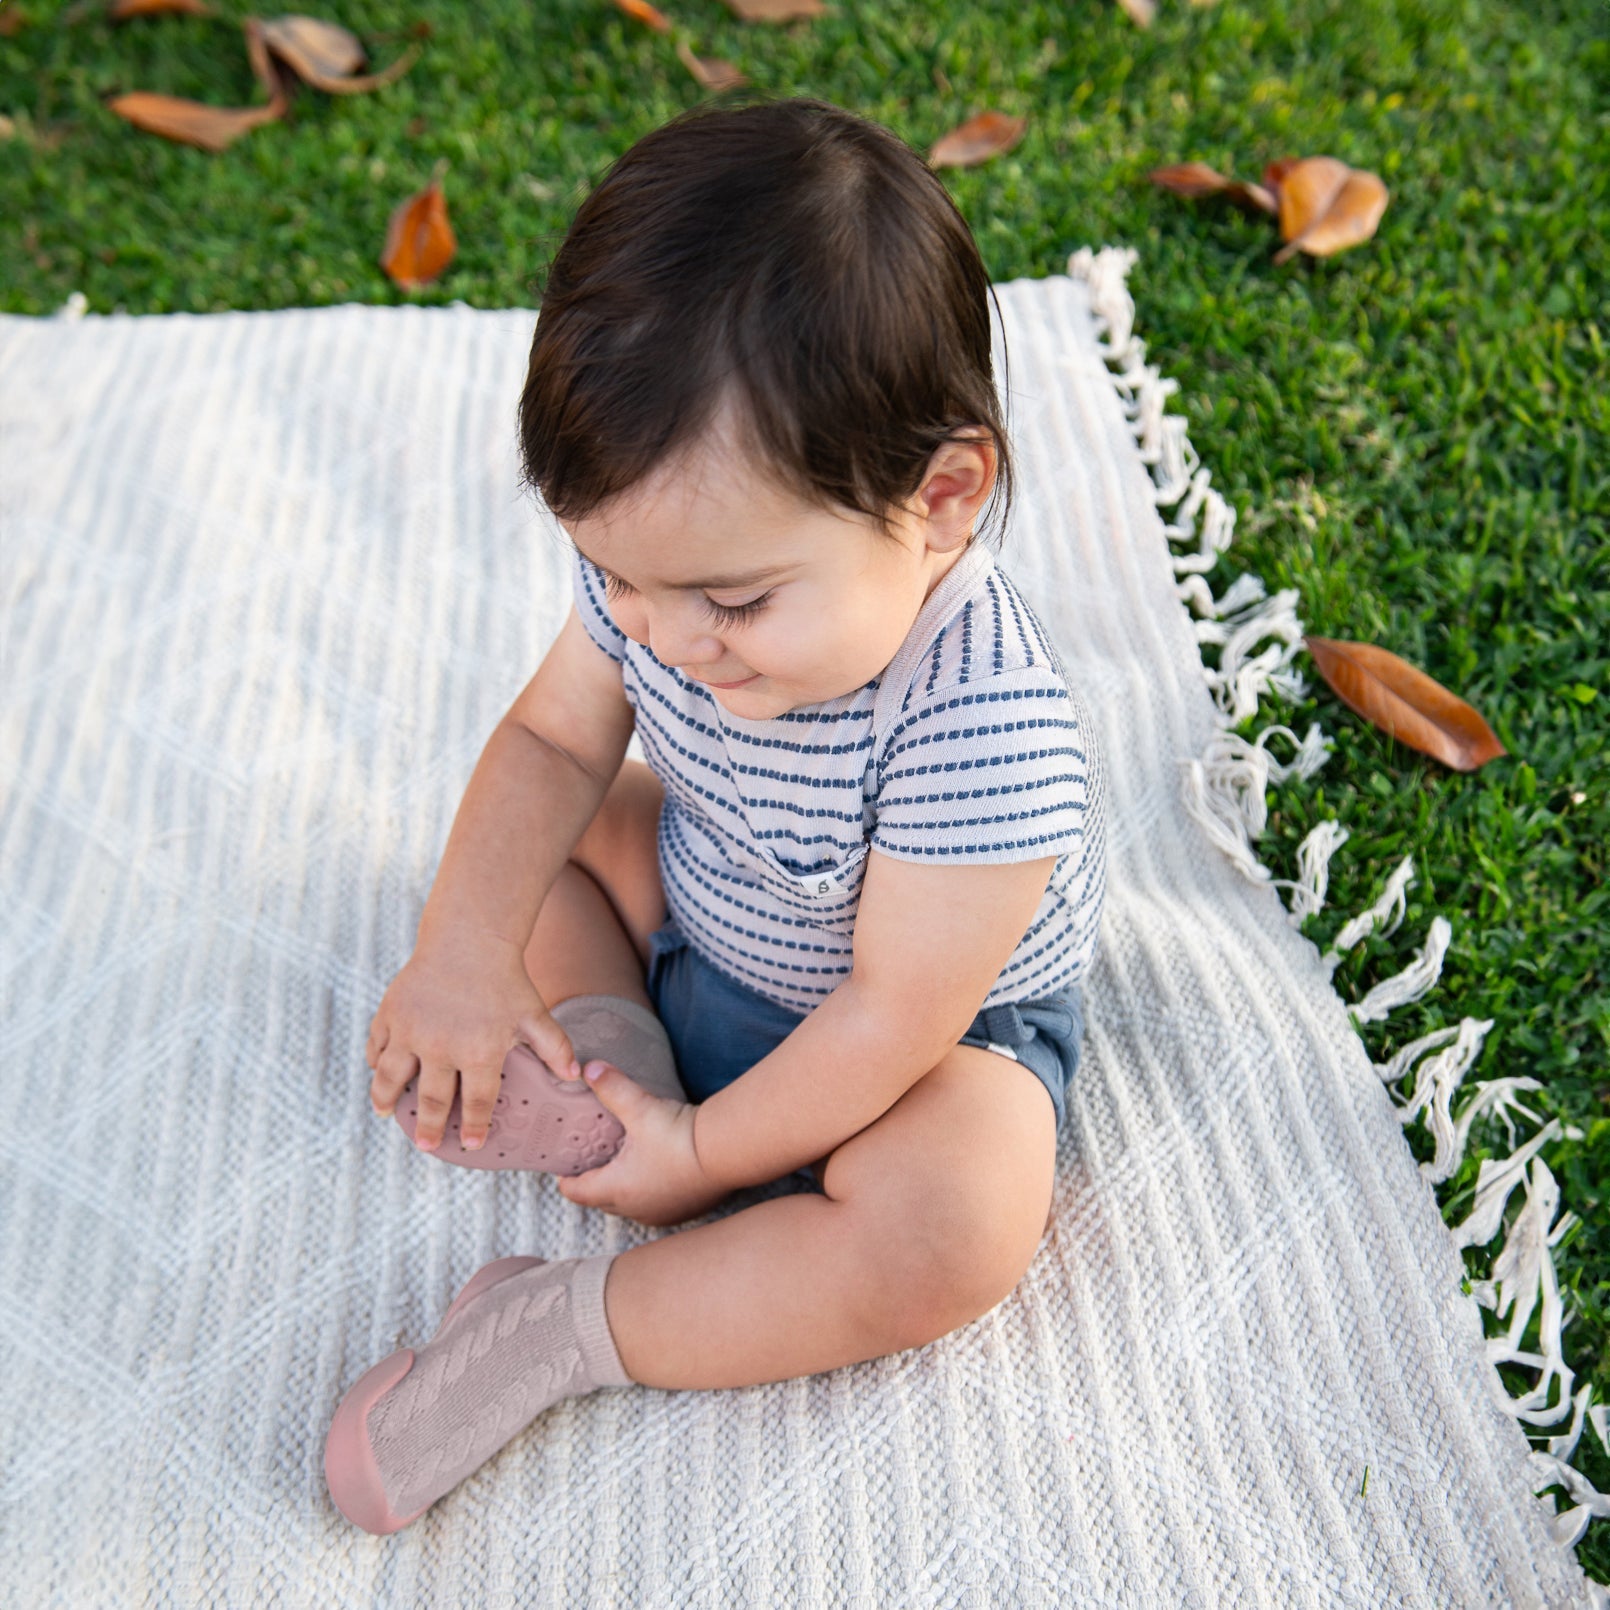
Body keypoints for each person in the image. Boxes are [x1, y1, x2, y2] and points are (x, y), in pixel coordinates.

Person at [324, 95, 1107, 1535]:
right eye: (616, 578)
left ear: (940, 497)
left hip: (902, 1048)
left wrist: (701, 1156)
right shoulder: (661, 579)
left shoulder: (981, 718)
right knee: (540, 836)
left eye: (735, 600)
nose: (667, 637)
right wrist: (462, 949)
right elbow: (554, 738)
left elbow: (887, 1014)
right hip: (708, 902)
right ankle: (607, 1076)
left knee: (964, 1212)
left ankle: (575, 1321)